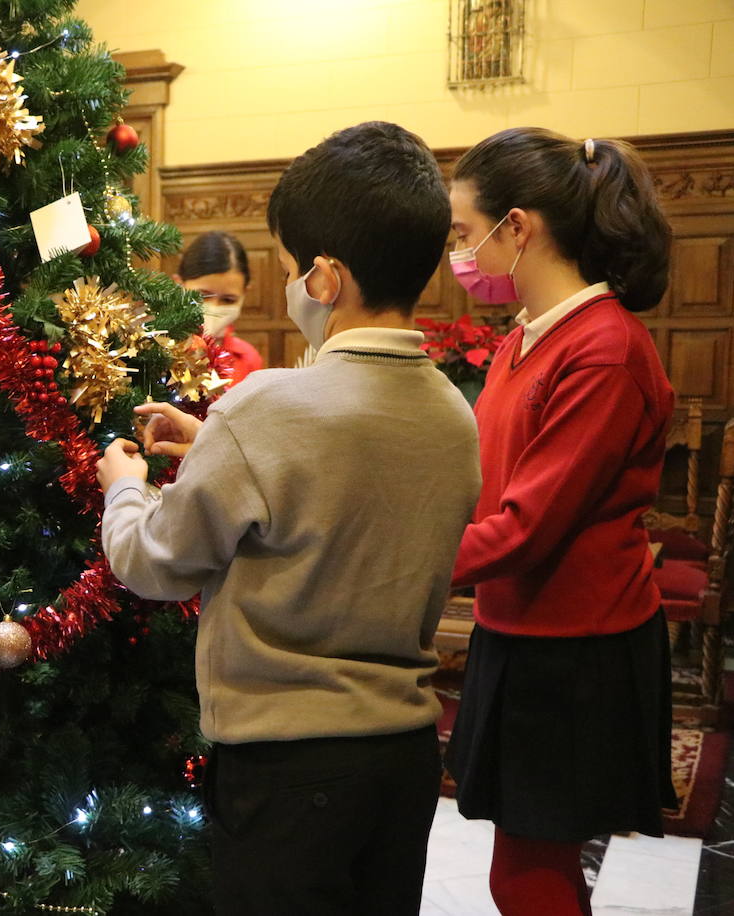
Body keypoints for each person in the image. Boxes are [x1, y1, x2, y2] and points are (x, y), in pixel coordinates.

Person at [95, 121, 482, 915]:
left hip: (288, 767)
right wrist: (217, 447)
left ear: (328, 278)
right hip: (405, 758)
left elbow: (155, 564)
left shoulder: (268, 405)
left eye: (290, 268)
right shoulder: (453, 410)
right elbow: (345, 495)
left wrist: (124, 487)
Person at [444, 128, 677, 916]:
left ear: (518, 227)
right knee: (523, 871)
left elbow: (526, 526)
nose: (460, 254)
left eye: (466, 234)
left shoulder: (604, 349)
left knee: (527, 878)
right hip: (521, 630)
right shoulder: (526, 339)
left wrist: (395, 565)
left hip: (576, 650)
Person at [175, 231, 264, 384]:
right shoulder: (156, 348)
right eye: (203, 296)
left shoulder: (248, 359)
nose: (214, 307)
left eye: (228, 300)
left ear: (244, 293)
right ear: (179, 284)